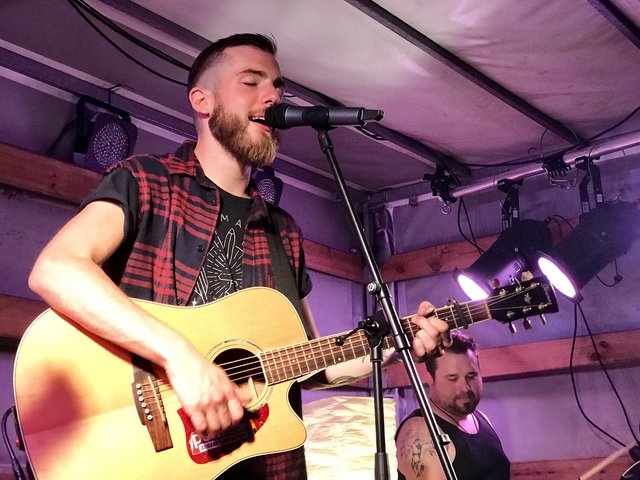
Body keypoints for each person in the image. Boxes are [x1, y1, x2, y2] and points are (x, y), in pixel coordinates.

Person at [28, 33, 449, 479]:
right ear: (202, 100)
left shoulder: (283, 230)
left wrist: (396, 345)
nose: (273, 96)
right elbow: (57, 268)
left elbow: (309, 364)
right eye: (252, 82)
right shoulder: (146, 182)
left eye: (277, 87)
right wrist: (181, 358)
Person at [395, 331, 510, 480]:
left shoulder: (481, 418)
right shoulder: (420, 432)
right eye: (453, 379)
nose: (465, 388)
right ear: (430, 379)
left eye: (471, 376)